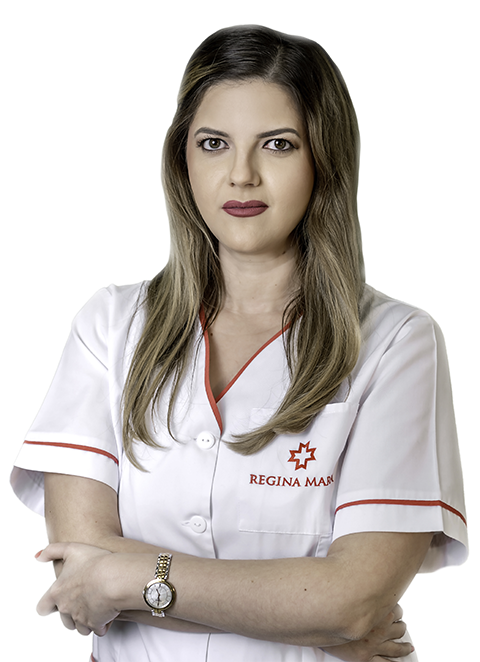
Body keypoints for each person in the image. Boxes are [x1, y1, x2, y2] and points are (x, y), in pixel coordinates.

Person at [10, 24, 468, 662]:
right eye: (213, 143)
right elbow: (79, 582)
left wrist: (126, 577)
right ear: (182, 160)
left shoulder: (396, 343)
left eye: (278, 145)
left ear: (324, 158)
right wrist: (311, 615)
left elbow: (354, 603)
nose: (241, 175)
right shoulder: (108, 327)